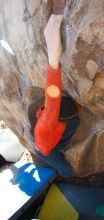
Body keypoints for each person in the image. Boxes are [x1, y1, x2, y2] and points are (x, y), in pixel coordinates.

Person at [33, 14, 80, 177]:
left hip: (50, 136)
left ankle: (58, 145)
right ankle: (65, 177)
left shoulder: (52, 121)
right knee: (64, 168)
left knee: (76, 121)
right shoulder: (47, 124)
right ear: (57, 119)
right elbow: (52, 96)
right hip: (44, 150)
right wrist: (54, 57)